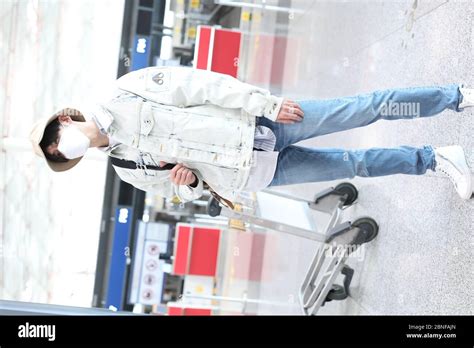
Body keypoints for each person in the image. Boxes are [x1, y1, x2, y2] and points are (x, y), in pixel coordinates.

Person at [29, 66, 474, 204]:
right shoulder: (125, 168)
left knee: (363, 109)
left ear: (65, 120)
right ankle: (437, 159)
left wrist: (265, 103)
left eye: (55, 137)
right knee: (354, 165)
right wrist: (190, 185)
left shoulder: (123, 93)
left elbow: (201, 84)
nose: (59, 146)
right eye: (54, 152)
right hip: (254, 172)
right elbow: (179, 192)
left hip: (264, 122)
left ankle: (455, 97)